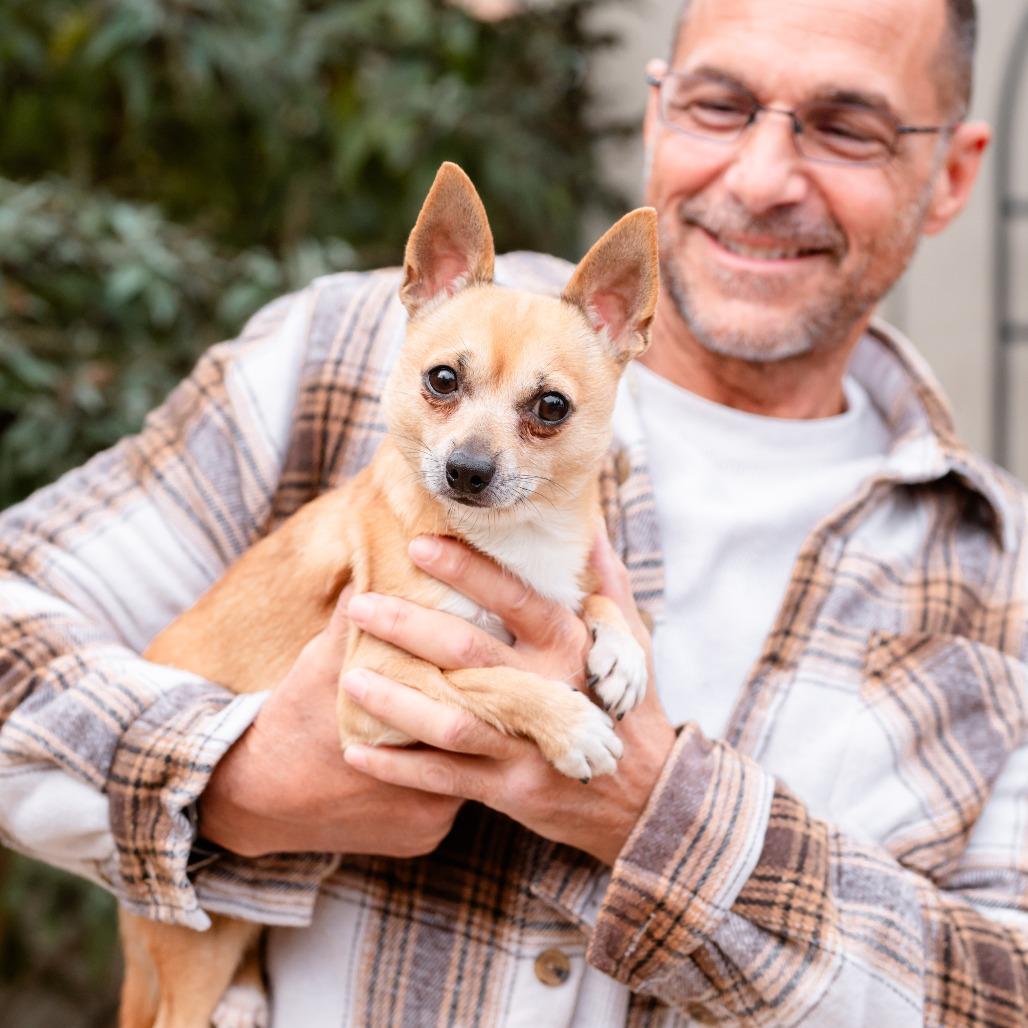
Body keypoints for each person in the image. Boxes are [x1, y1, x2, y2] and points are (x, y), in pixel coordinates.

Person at [1, 0, 1024, 1023]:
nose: (760, 176)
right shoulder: (338, 350)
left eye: (846, 125)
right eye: (719, 104)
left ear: (952, 172)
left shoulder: (1000, 579)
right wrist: (233, 778)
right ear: (654, 111)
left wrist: (663, 819)